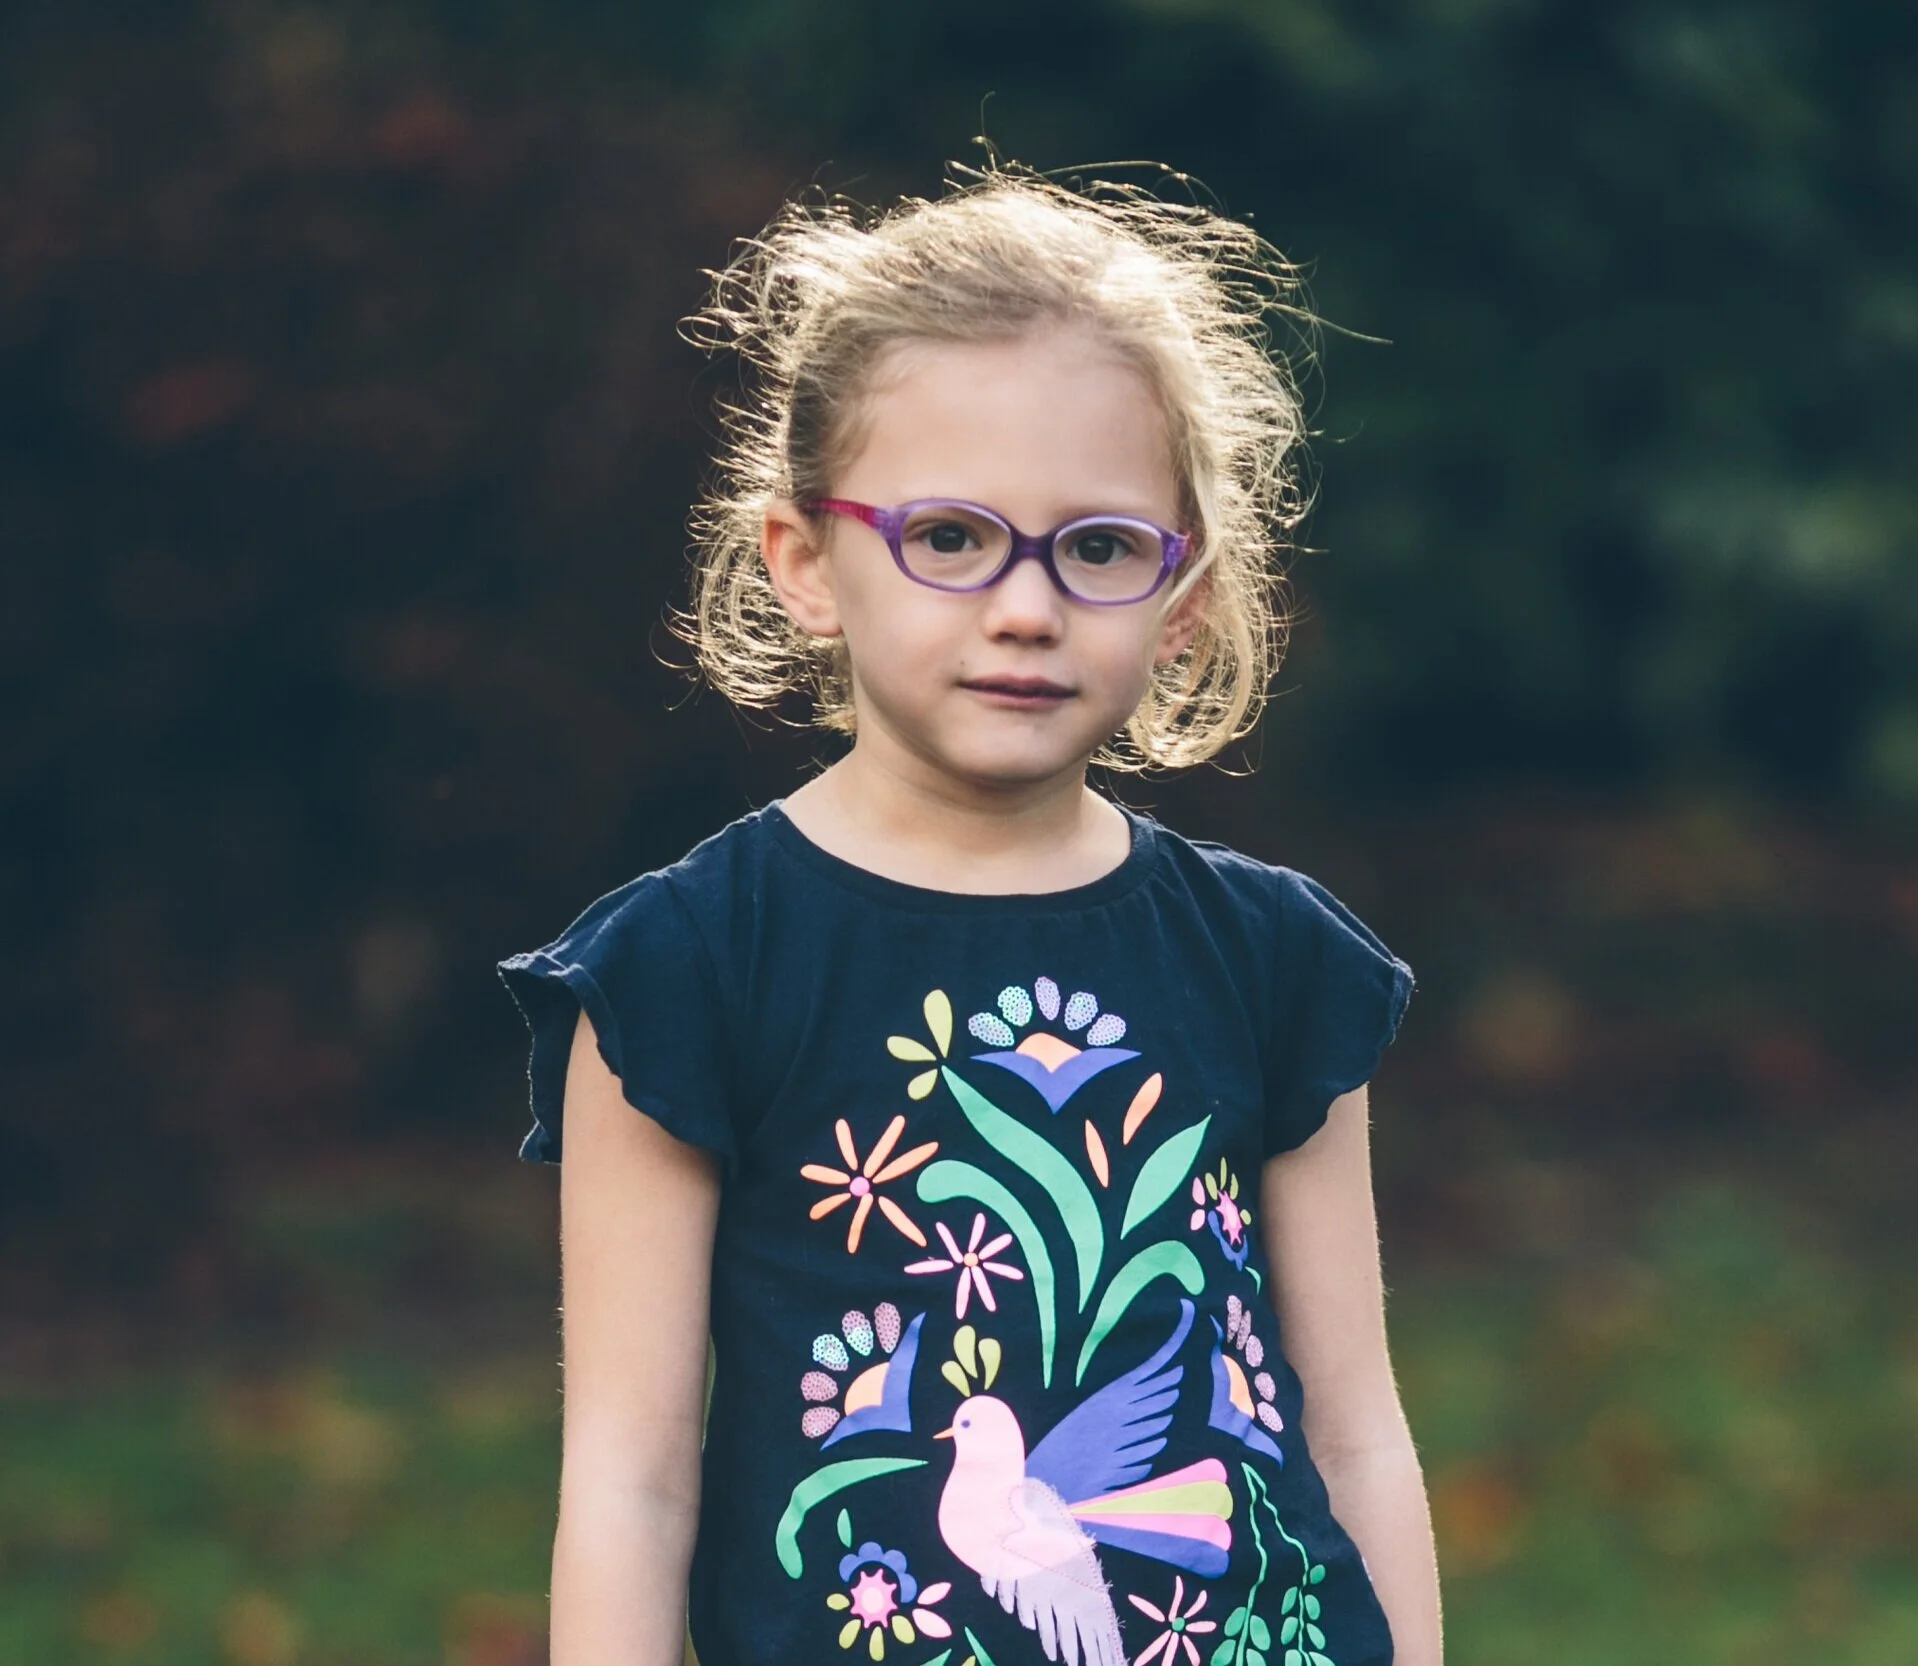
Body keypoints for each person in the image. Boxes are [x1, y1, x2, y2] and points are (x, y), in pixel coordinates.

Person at [497, 167, 1443, 1666]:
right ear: (807, 563)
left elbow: (1359, 1435)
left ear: (1183, 594)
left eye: (1099, 546)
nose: (1025, 605)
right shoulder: (687, 970)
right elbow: (630, 1482)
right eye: (949, 536)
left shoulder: (1271, 961)